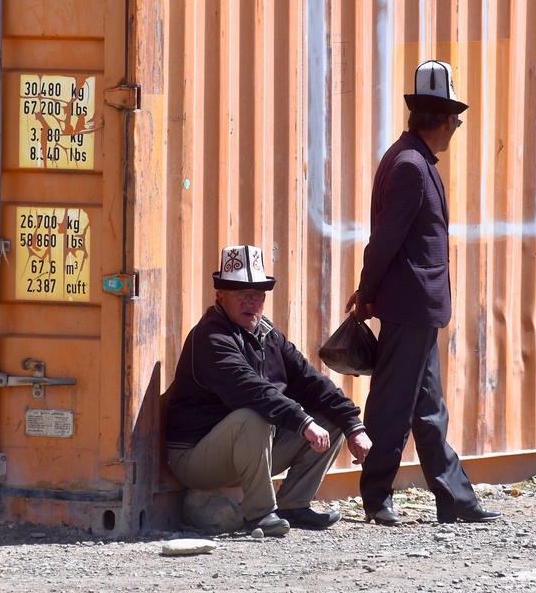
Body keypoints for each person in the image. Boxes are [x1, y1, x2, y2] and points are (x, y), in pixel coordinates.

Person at [345, 60, 501, 526]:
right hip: (410, 305)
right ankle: (377, 498)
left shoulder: (408, 158)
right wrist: (366, 292)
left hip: (418, 308)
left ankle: (455, 498)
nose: (456, 128)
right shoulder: (412, 166)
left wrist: (369, 291)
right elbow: (384, 241)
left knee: (429, 408)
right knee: (392, 405)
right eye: (456, 120)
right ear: (446, 121)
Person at [166, 244, 372, 537]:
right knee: (253, 415)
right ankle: (260, 513)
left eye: (258, 294)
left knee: (333, 419)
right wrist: (303, 422)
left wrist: (353, 425)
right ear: (220, 297)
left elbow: (310, 380)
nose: (250, 301)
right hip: (194, 457)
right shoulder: (211, 336)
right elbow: (252, 390)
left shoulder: (267, 333)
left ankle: (294, 505)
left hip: (248, 451)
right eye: (240, 294)